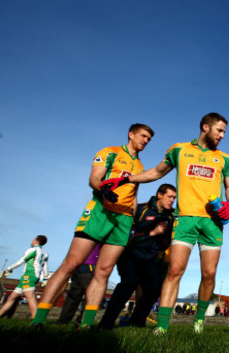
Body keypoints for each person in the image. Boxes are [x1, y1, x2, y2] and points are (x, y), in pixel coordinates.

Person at [30, 123, 153, 329]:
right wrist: (103, 189)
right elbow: (94, 178)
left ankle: (86, 324)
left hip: (122, 220)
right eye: (143, 136)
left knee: (104, 271)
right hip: (100, 211)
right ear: (131, 134)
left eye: (149, 139)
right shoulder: (110, 152)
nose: (145, 141)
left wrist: (132, 219)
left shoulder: (140, 167)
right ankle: (38, 319)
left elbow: (134, 195)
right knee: (71, 263)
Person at [123, 113, 229, 335]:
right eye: (219, 131)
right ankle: (162, 326)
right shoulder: (179, 150)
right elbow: (157, 172)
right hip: (184, 219)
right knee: (174, 270)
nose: (222, 136)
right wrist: (129, 179)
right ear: (206, 127)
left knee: (209, 274)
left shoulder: (225, 158)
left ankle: (199, 321)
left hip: (212, 223)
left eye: (224, 132)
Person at [98, 184, 177, 329]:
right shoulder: (141, 209)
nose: (172, 200)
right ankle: (106, 323)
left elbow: (165, 243)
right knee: (129, 283)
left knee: (154, 288)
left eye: (174, 198)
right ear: (159, 195)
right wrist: (151, 233)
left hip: (150, 258)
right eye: (170, 197)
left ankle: (136, 323)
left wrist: (163, 242)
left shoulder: (170, 217)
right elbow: (129, 234)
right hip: (131, 254)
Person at [0, 236, 49, 318]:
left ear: (36, 241)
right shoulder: (45, 253)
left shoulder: (32, 250)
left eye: (33, 239)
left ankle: (36, 319)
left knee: (30, 297)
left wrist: (9, 268)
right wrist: (45, 278)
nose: (32, 240)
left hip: (29, 275)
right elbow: (45, 266)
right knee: (12, 297)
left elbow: (21, 260)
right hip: (34, 276)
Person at [56, 245, 100, 324]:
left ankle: (63, 320)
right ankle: (83, 321)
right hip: (90, 263)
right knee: (90, 294)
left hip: (78, 263)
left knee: (74, 294)